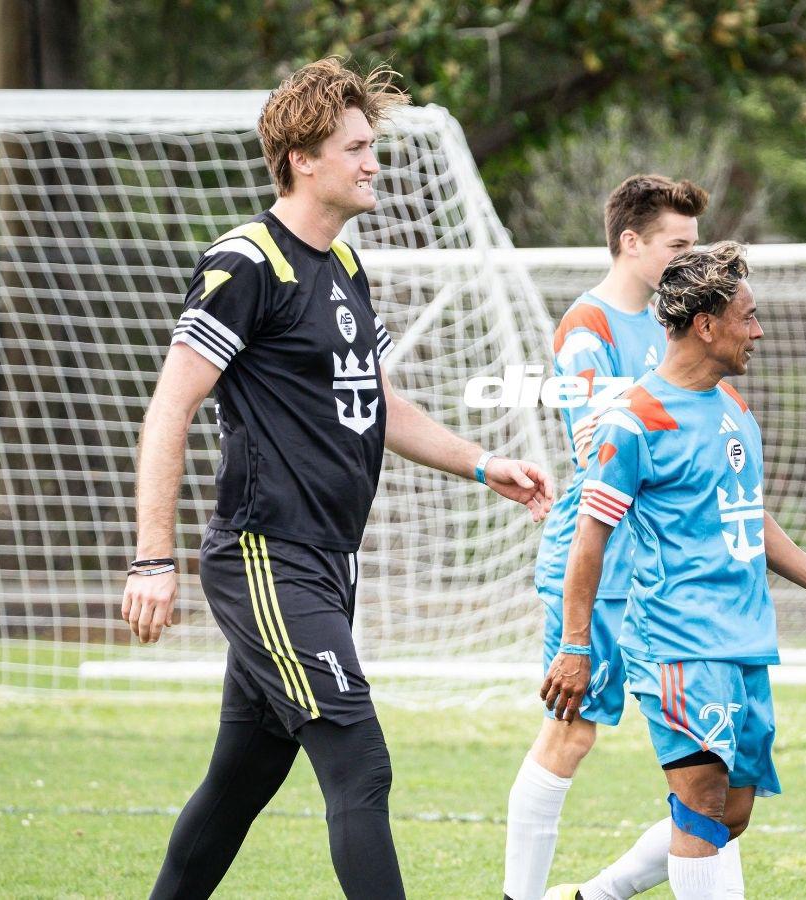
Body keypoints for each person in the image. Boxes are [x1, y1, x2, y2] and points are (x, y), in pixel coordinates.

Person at [121, 57, 553, 900]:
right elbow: (168, 408)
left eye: (373, 146)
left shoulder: (346, 269)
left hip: (327, 563)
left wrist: (482, 462)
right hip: (266, 557)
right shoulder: (244, 264)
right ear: (302, 160)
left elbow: (382, 402)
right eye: (356, 148)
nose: (373, 164)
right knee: (360, 760)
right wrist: (151, 557)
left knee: (241, 783)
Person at [541, 242, 806, 900]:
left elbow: (747, 515)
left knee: (730, 813)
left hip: (744, 639)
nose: (757, 331)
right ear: (706, 324)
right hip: (676, 642)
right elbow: (590, 539)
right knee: (701, 804)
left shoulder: (733, 409)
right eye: (748, 317)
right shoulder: (634, 421)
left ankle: (594, 896)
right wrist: (575, 644)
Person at [503, 175, 722, 900]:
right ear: (632, 243)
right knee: (571, 734)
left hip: (668, 573)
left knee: (717, 769)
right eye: (679, 245)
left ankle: (599, 893)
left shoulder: (674, 323)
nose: (694, 259)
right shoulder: (586, 326)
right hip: (599, 571)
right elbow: (601, 442)